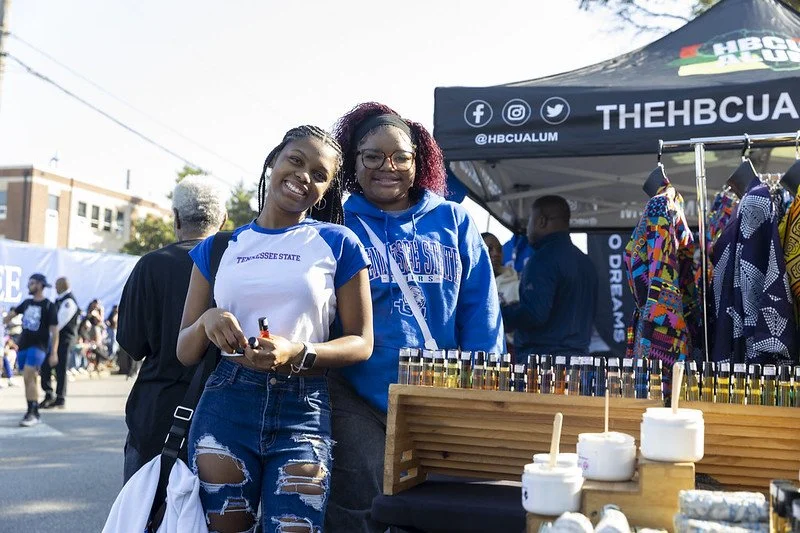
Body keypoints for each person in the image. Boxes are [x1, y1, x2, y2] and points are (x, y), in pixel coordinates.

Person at [176, 125, 373, 533]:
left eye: (319, 174)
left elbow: (362, 342)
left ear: (327, 188)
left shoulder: (339, 243)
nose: (304, 176)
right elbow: (184, 349)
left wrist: (297, 351)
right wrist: (207, 321)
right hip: (226, 402)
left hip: (304, 407)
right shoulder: (217, 248)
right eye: (295, 161)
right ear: (273, 162)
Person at [326, 102, 504, 532]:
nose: (388, 167)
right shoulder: (333, 222)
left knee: (431, 506)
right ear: (353, 161)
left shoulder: (454, 221)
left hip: (437, 395)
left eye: (400, 156)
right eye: (372, 156)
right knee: (362, 500)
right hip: (356, 395)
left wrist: (480, 387)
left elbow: (480, 313)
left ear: (418, 161)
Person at [118, 175, 228, 482]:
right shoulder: (236, 262)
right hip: (223, 413)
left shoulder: (152, 265)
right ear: (224, 218)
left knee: (143, 513)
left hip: (156, 414)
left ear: (175, 218)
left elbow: (132, 343)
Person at [502, 195, 599, 358]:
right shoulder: (586, 262)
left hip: (544, 365)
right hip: (580, 362)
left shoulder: (542, 259)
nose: (527, 230)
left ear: (541, 221)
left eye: (530, 222)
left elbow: (534, 314)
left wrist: (501, 314)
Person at [2, 273, 58, 427]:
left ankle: (32, 412)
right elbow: (7, 318)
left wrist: (54, 352)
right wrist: (5, 318)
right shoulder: (26, 303)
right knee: (29, 379)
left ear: (40, 285)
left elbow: (55, 331)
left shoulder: (48, 305)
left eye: (32, 283)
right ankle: (33, 411)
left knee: (28, 374)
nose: (29, 285)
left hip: (38, 347)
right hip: (23, 346)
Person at [39, 277, 80, 409]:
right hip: (54, 340)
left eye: (56, 285)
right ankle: (49, 394)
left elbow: (59, 323)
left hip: (64, 341)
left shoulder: (69, 301)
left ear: (62, 285)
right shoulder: (59, 300)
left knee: (61, 369)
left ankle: (60, 398)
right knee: (45, 366)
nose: (55, 288)